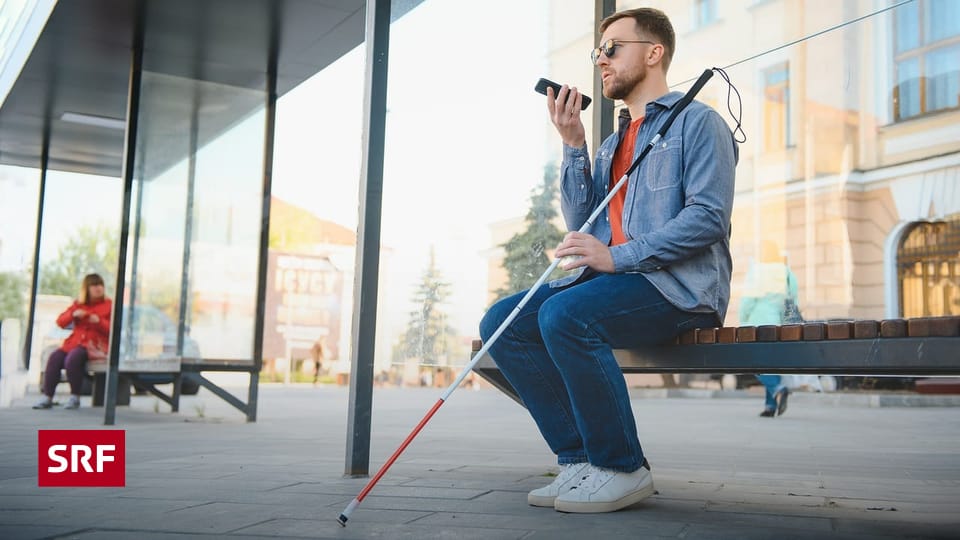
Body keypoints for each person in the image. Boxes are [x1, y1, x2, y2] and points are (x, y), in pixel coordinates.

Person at [479, 7, 738, 514]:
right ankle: (579, 460)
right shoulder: (614, 141)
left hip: (678, 289)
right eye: (597, 51)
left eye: (612, 48)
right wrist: (573, 145)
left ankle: (621, 467)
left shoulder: (699, 123)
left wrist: (618, 257)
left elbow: (708, 217)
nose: (601, 59)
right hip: (617, 284)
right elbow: (585, 221)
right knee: (503, 322)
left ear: (653, 52)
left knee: (565, 315)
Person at [738, 241, 800, 417]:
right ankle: (770, 406)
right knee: (771, 364)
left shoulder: (757, 271)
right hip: (777, 324)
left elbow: (748, 300)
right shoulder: (787, 272)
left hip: (757, 322)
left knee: (754, 363)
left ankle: (777, 389)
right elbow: (793, 301)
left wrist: (742, 320)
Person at [34, 273, 112, 410]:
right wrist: (73, 315)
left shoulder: (109, 305)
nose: (98, 288)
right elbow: (60, 322)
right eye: (94, 285)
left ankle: (75, 396)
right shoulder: (78, 304)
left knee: (73, 359)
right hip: (73, 343)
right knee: (54, 357)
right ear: (87, 288)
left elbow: (113, 329)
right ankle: (48, 397)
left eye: (100, 285)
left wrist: (99, 321)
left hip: (94, 346)